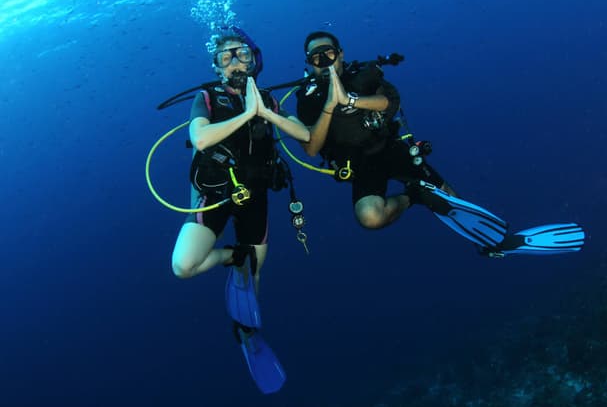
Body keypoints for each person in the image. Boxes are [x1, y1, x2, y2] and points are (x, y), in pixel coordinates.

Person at [295, 31, 585, 255]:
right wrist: (330, 105)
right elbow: (312, 147)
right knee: (370, 218)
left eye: (328, 53)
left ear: (341, 54)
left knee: (448, 197)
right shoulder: (307, 99)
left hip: (389, 148)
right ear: (309, 63)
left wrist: (352, 100)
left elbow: (390, 102)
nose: (323, 61)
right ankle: (415, 197)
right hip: (358, 164)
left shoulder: (365, 76)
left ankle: (488, 242)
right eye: (315, 58)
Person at [171, 28, 310, 394]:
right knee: (183, 266)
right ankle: (230, 255)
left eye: (242, 54)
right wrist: (248, 114)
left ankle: (247, 329)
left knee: (255, 271)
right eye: (227, 57)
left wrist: (265, 112)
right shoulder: (207, 97)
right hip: (214, 196)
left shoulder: (268, 99)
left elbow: (305, 135)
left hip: (255, 196)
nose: (235, 62)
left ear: (255, 59)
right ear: (216, 67)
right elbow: (200, 138)